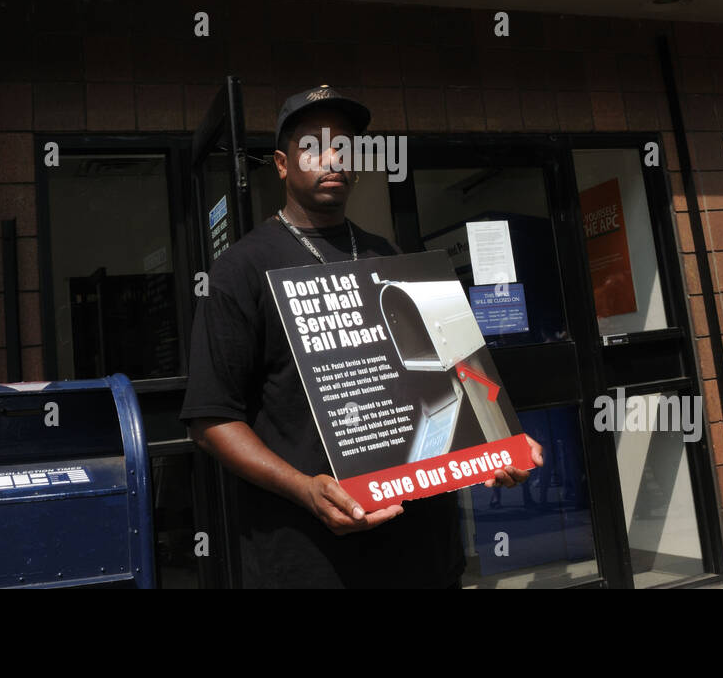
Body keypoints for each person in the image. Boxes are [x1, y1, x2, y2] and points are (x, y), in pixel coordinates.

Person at [179, 84, 543, 588]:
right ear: (283, 165)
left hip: (423, 554)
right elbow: (212, 420)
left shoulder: (390, 257)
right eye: (313, 146)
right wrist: (307, 490)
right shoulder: (239, 270)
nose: (332, 158)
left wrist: (496, 444)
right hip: (315, 561)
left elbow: (456, 373)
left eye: (344, 148)